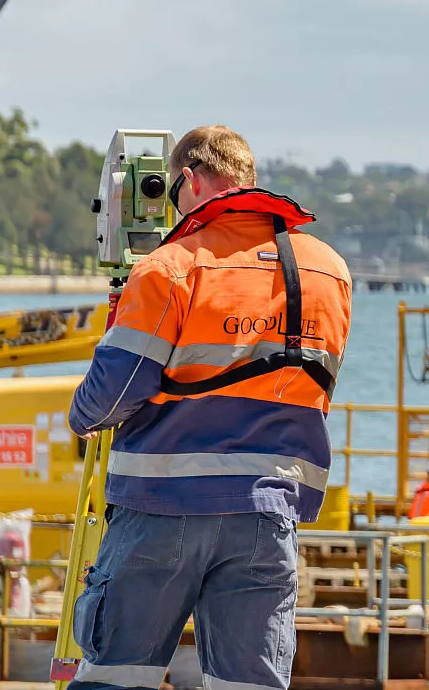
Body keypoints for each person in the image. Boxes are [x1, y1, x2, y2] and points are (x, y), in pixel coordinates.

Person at [67, 125, 352, 690]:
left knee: (116, 677)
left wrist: (81, 412)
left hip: (162, 506)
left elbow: (110, 400)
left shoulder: (171, 267)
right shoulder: (329, 272)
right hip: (269, 513)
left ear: (189, 182)